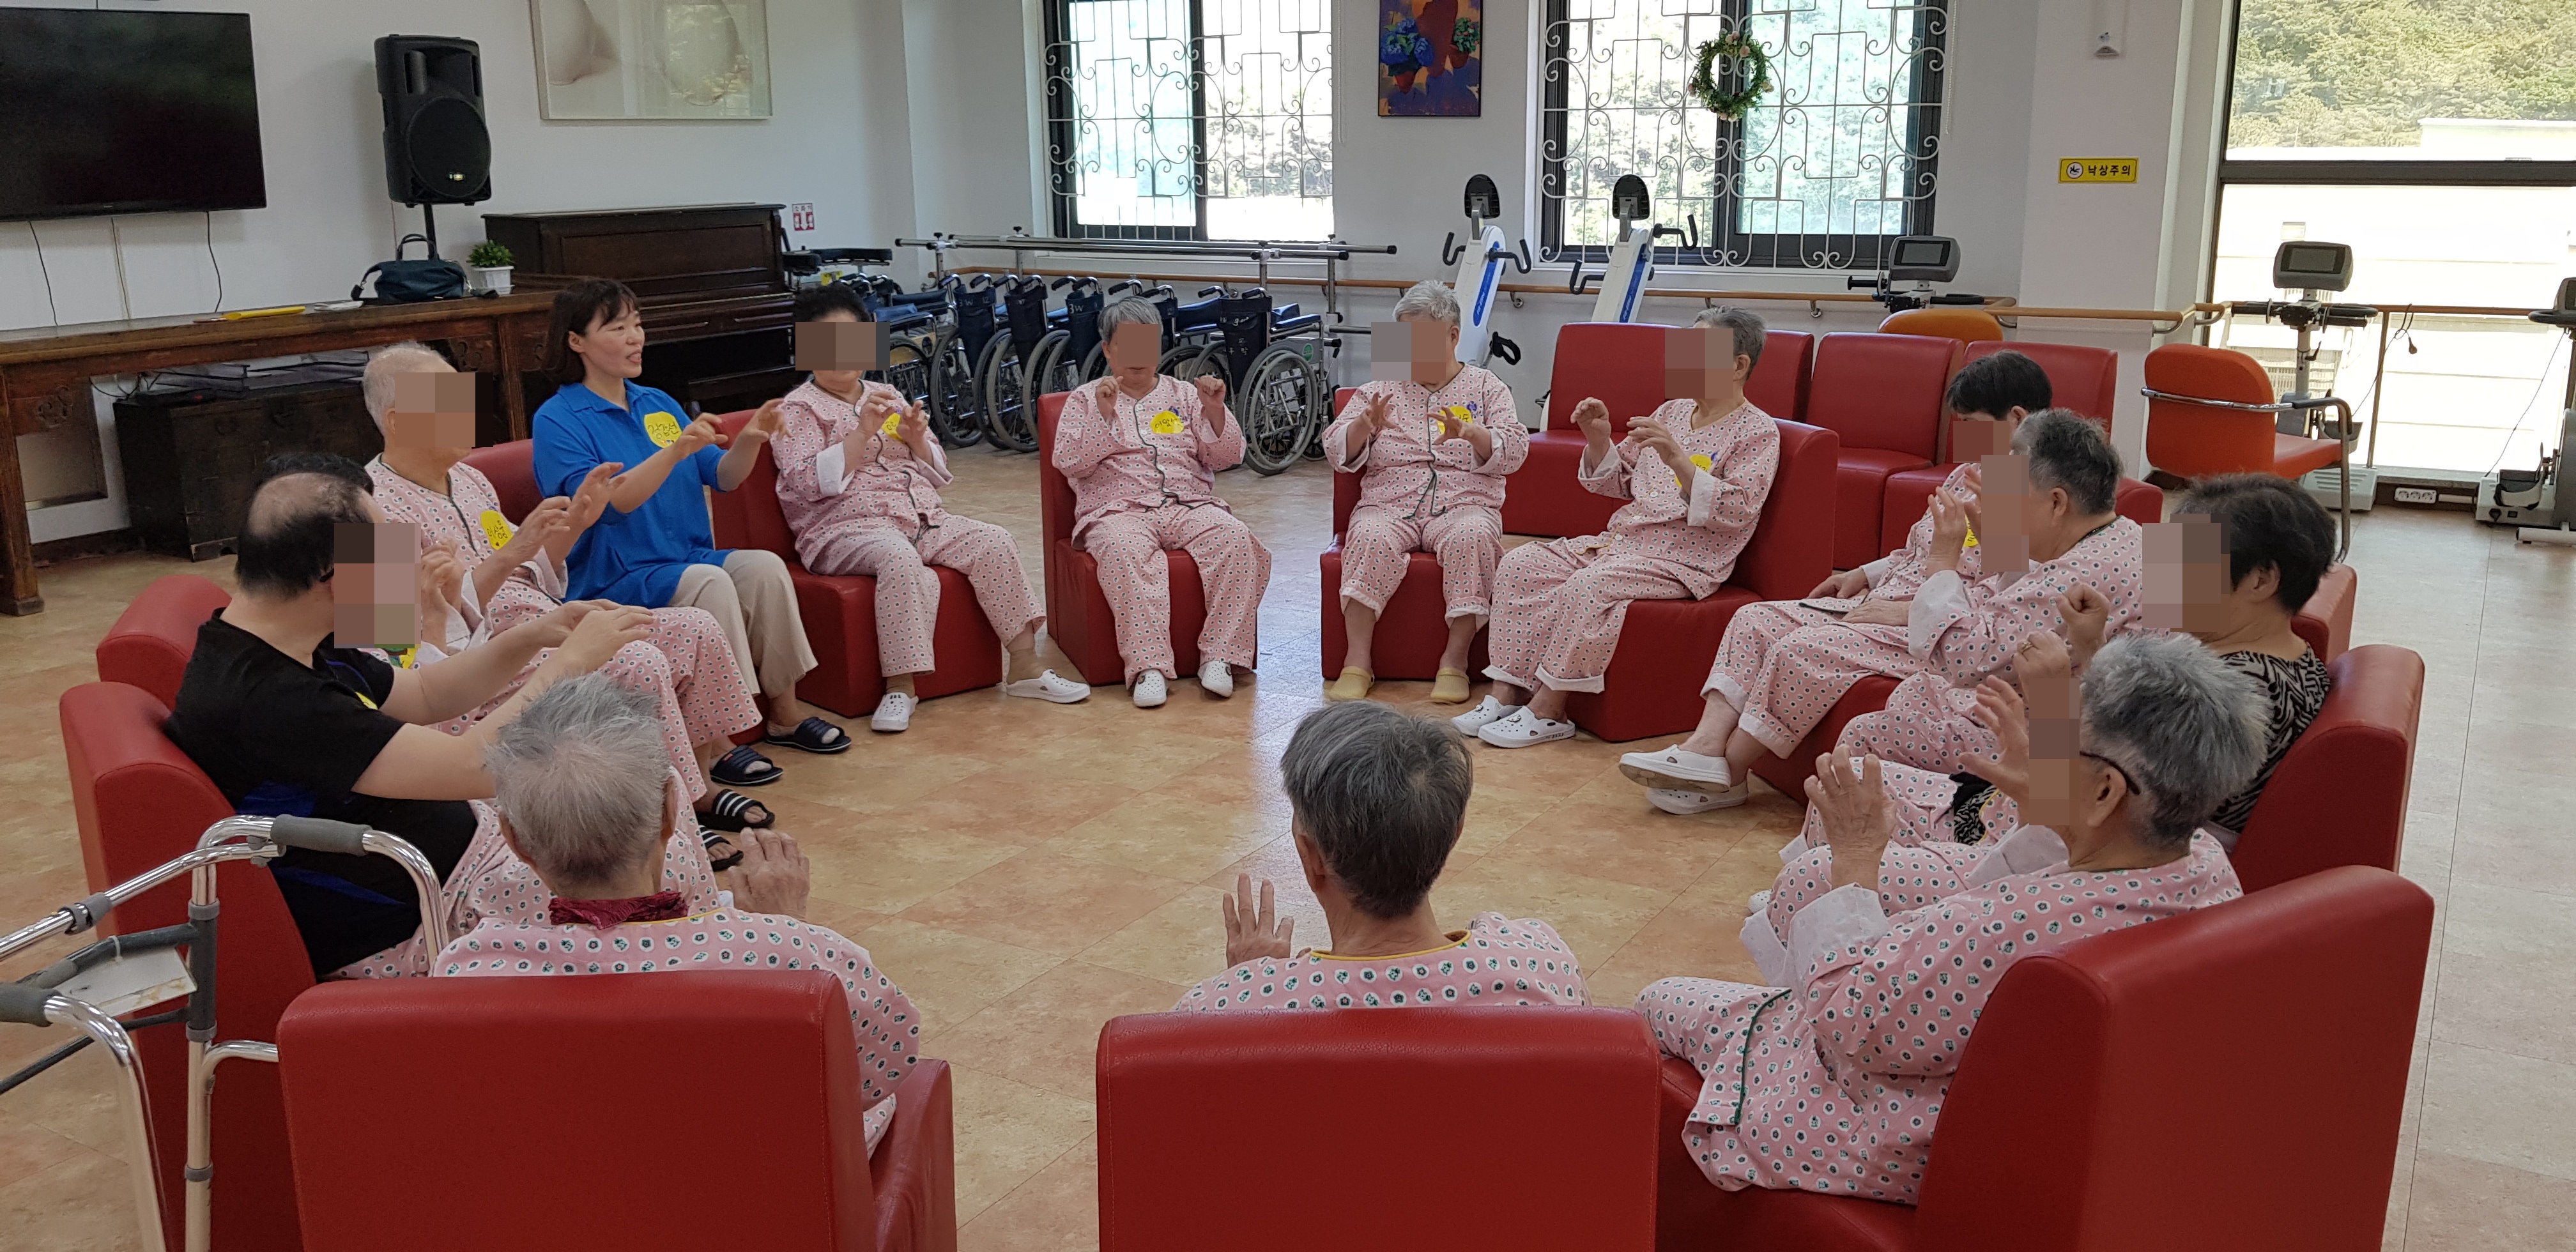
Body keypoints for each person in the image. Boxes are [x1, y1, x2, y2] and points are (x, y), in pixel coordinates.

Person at [1639, 632, 2257, 1202]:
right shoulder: (2205, 864)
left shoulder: (2010, 931)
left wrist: (1856, 857)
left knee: (1659, 1000)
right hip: (2017, 1107)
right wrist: (2045, 798)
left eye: (2063, 736)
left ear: (2105, 792)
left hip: (1881, 1126)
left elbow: (1850, 1020)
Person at [165, 454, 654, 978]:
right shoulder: (275, 700)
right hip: (418, 916)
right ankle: (667, 989)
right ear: (338, 577)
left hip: (456, 866)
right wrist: (569, 662)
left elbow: (423, 692)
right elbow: (474, 765)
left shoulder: (285, 638)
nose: (405, 570)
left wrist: (534, 636)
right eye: (389, 555)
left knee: (628, 811)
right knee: (627, 848)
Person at [434, 675, 920, 1154]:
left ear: (514, 840)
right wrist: (789, 928)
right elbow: (883, 1065)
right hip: (751, 1180)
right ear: (672, 812)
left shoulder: (467, 969)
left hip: (571, 1185)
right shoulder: (789, 953)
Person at [1777, 470, 2340, 867]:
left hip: (2053, 854)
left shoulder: (2230, 693)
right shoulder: (2279, 661)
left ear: (2261, 580)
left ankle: (1818, 888)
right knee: (1864, 764)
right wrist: (2091, 648)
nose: (2162, 577)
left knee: (1858, 784)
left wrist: (2048, 702)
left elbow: (2093, 806)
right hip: (2048, 823)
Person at [358, 342, 779, 833]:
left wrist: (578, 520)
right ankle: (660, 823)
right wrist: (511, 556)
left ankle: (696, 789)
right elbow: (391, 647)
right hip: (482, 658)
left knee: (695, 630)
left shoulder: (470, 480)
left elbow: (533, 571)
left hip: (543, 617)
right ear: (398, 420)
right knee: (634, 659)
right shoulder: (368, 507)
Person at [1617, 351, 2055, 813]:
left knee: (1802, 648)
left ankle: (1728, 773)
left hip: (1927, 630)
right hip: (1886, 600)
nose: (1961, 438)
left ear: (2016, 419)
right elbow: (1919, 548)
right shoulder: (1975, 473)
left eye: (1972, 424)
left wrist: (1907, 611)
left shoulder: (2020, 495)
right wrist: (1864, 573)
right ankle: (1703, 747)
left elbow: (1998, 599)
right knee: (1754, 620)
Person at [530, 278, 846, 758]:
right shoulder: (558, 418)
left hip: (684, 555)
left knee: (764, 569)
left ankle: (785, 712)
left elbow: (723, 476)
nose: (635, 338)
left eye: (638, 325)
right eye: (618, 328)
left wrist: (751, 437)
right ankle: (717, 740)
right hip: (615, 575)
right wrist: (675, 451)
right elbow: (608, 504)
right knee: (708, 582)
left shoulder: (657, 402)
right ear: (577, 341)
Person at [767, 284, 1089, 732]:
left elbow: (935, 464)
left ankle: (1024, 667)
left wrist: (917, 438)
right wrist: (861, 433)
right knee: (899, 559)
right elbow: (808, 483)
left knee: (993, 541)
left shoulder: (885, 393)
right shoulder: (796, 410)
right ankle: (901, 686)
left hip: (919, 517)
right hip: (844, 528)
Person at [1457, 307, 1780, 748]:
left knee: (1589, 586)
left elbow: (1738, 510)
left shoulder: (1757, 432)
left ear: (1738, 365)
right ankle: (1506, 693)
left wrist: (1679, 461)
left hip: (1683, 559)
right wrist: (1598, 438)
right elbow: (1621, 480)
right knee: (1522, 564)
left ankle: (1549, 710)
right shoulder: (1671, 411)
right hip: (1621, 543)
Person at [1176, 701, 1586, 1011]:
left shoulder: (1225, 1007)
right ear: (1454, 834)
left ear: (1311, 854)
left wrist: (1249, 984)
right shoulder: (1544, 966)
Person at [1831, 408, 2149, 777]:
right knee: (1917, 692)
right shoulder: (2136, 535)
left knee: (1865, 734)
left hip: (2066, 754)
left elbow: (1964, 660)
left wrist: (1942, 560)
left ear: (2058, 503)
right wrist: (2002, 547)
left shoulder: (2075, 576)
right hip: (2106, 733)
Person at [1052, 296, 1271, 708]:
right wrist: (1103, 417)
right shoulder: (1084, 399)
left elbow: (1226, 457)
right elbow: (1069, 463)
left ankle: (1221, 657)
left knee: (1237, 540)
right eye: (1128, 346)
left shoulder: (1185, 394)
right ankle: (1148, 667)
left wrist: (1215, 412)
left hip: (1189, 504)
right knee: (1123, 552)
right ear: (1108, 350)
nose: (1138, 357)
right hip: (1117, 509)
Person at [1321, 280, 1527, 704]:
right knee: (1369, 536)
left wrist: (1474, 434)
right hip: (1388, 503)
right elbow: (1336, 449)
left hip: (1464, 503)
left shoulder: (1488, 387)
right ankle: (1357, 662)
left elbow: (1515, 450)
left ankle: (1454, 661)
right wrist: (1363, 425)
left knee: (1474, 537)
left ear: (1452, 336)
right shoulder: (1381, 388)